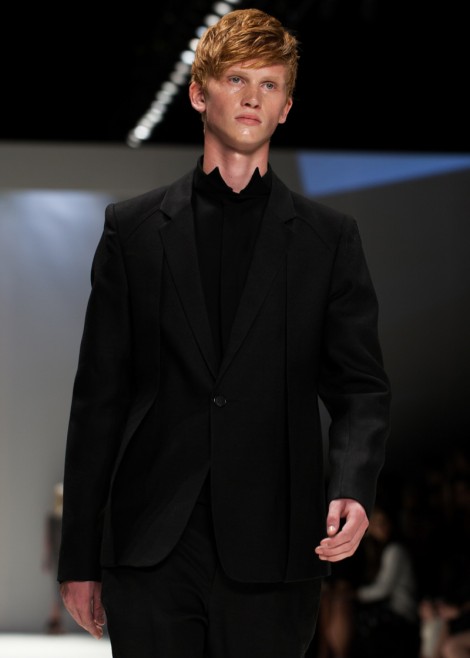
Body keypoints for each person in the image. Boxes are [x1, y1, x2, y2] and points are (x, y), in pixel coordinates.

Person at [57, 8, 391, 658]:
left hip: (275, 543)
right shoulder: (133, 231)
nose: (252, 97)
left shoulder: (327, 241)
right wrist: (79, 558)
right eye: (236, 79)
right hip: (151, 543)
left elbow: (360, 387)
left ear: (286, 108)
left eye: (269, 85)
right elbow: (99, 400)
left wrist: (353, 484)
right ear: (198, 94)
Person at [349, 503, 420, 658]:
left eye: (384, 522)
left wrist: (355, 594)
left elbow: (383, 589)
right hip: (385, 610)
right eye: (376, 523)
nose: (381, 527)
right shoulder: (373, 550)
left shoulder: (395, 550)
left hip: (400, 612)